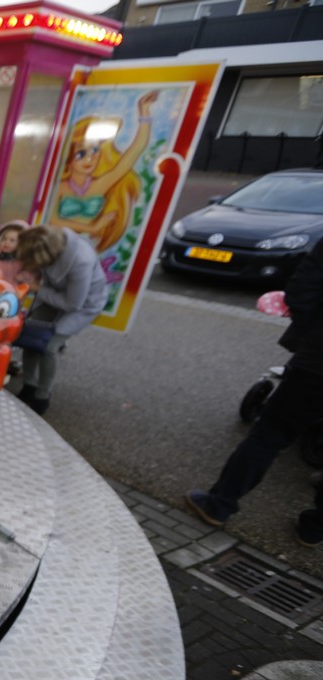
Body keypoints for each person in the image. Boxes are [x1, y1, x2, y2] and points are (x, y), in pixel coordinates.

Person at [187, 236, 323, 546]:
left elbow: (302, 292)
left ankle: (219, 504)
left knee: (271, 434)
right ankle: (315, 528)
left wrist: (310, 332)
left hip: (317, 364)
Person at [3, 224, 107, 415]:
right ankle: (29, 385)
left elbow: (73, 303)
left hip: (82, 305)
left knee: (50, 346)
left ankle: (43, 396)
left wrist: (38, 289)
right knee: (31, 337)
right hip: (55, 294)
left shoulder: (81, 261)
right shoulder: (46, 239)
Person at [55, 90, 158, 253]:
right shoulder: (60, 187)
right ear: (69, 157)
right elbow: (53, 220)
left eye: (95, 151)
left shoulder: (100, 184)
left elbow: (137, 149)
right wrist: (93, 227)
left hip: (85, 247)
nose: (89, 159)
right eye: (81, 154)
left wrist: (144, 111)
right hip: (55, 244)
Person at [0, 220, 30, 284]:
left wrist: (23, 276)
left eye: (12, 240)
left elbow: (30, 273)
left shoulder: (22, 262)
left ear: (22, 244)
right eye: (4, 239)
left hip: (12, 289)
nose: (7, 242)